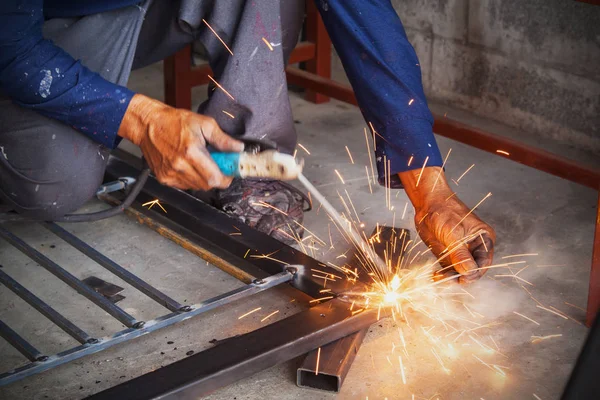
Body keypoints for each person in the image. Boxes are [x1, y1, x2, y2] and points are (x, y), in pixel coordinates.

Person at [0, 0, 495, 283]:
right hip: (48, 20)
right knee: (53, 187)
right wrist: (137, 119)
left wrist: (431, 193)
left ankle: (247, 170)